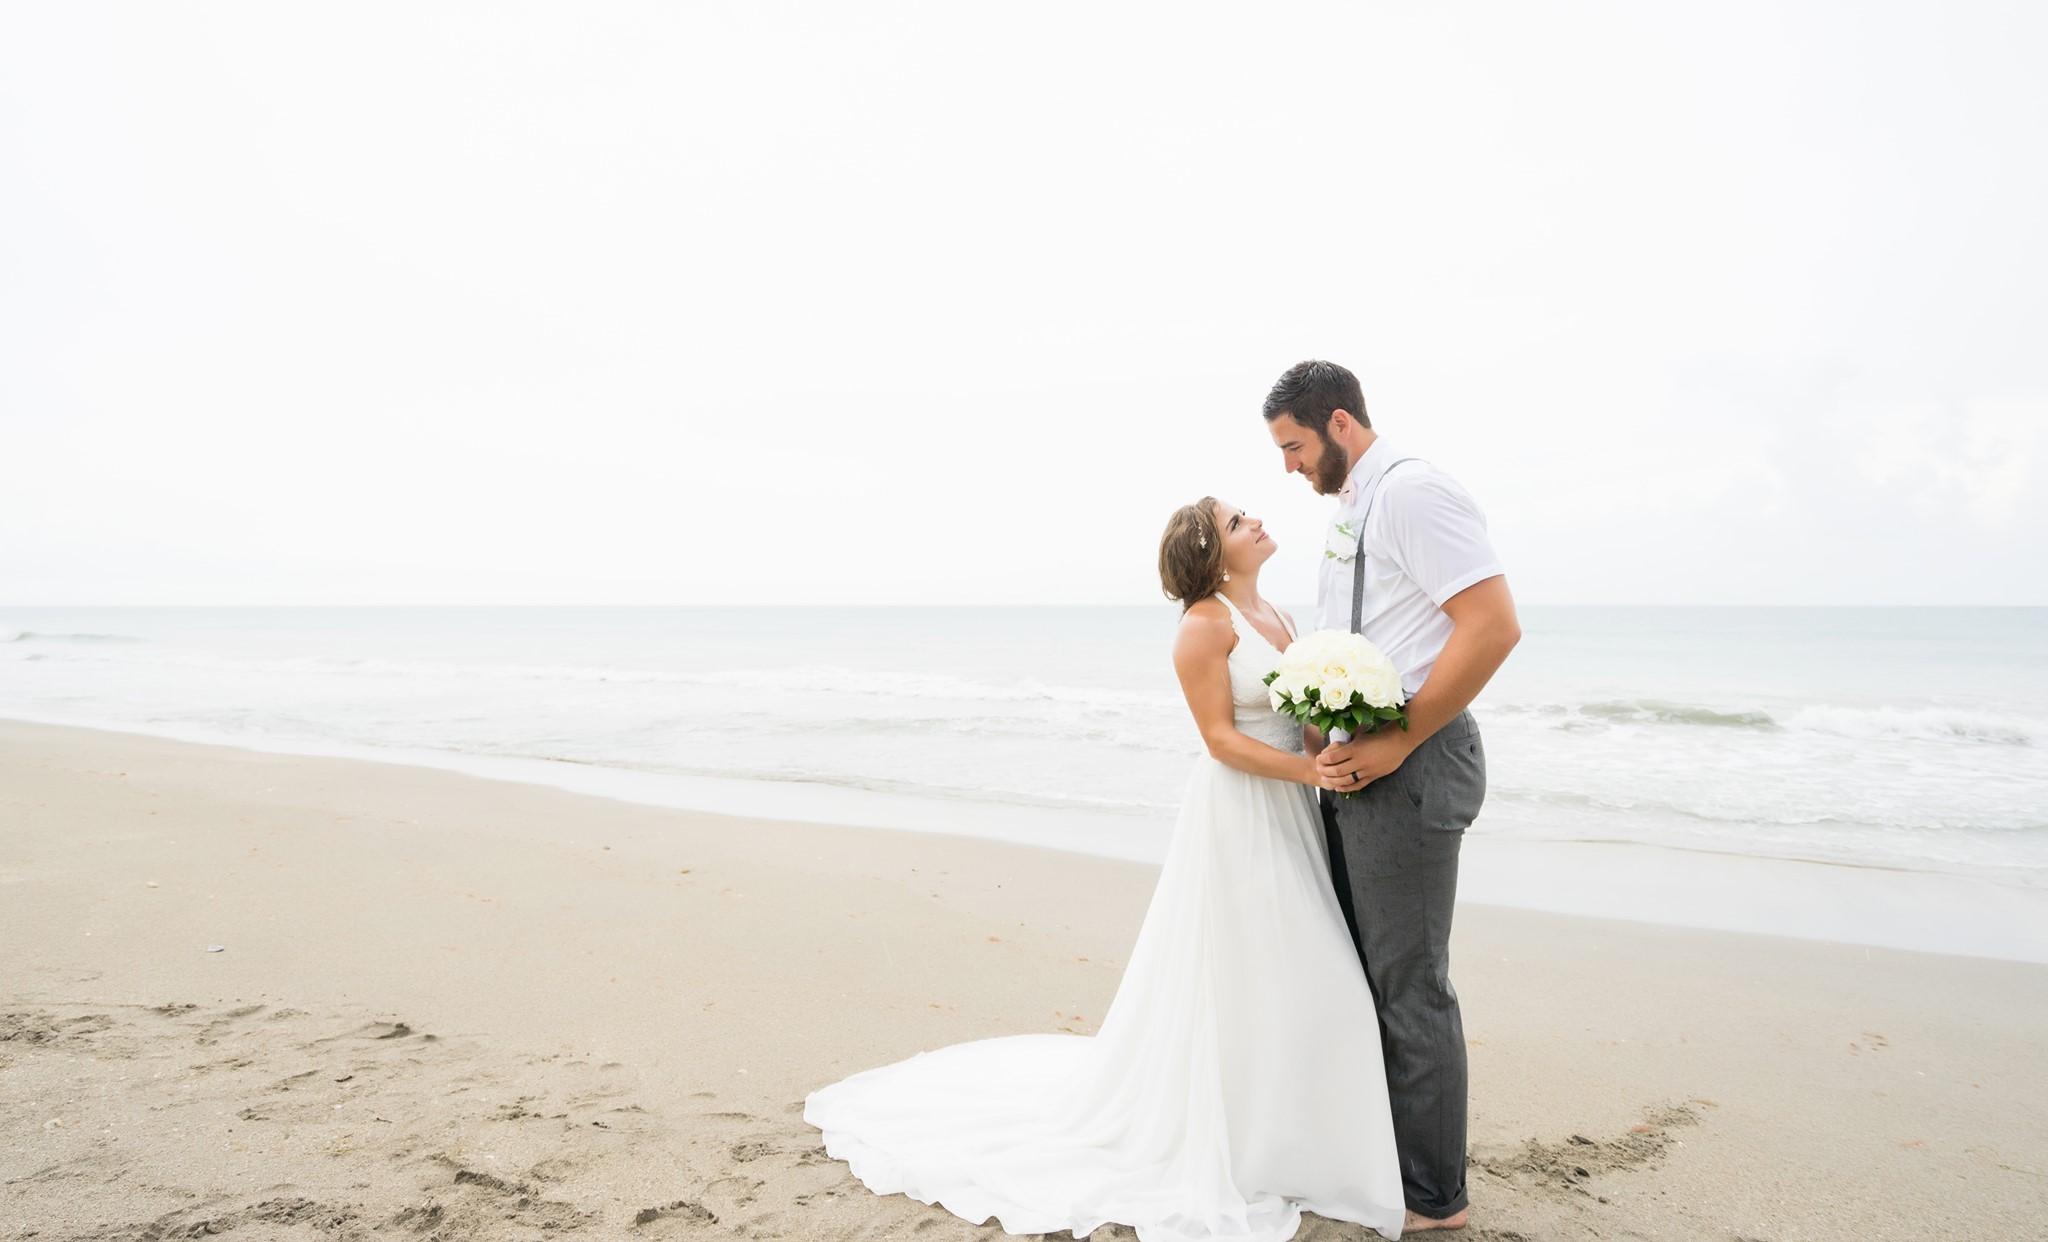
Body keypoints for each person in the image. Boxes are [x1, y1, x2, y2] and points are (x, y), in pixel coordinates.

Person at [803, 497, 1406, 1242]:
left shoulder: (1278, 617)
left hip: (1291, 811)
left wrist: (1336, 737)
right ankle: (1252, 1140)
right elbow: (1219, 740)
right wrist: (1309, 772)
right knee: (1263, 968)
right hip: (1242, 812)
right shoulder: (1203, 626)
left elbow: (1300, 714)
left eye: (1247, 514)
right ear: (1211, 555)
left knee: (1291, 972)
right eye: (1235, 522)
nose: (1254, 521)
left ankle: (1288, 1134)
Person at [1264, 359, 1521, 1233]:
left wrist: (1402, 735)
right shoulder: (1352, 509)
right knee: (1367, 978)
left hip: (1414, 767)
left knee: (1411, 985)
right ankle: (1381, 1161)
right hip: (1363, 765)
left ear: (1339, 423)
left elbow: (1492, 625)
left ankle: (1434, 1200)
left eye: (1295, 446)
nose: (1289, 467)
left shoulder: (1412, 494)